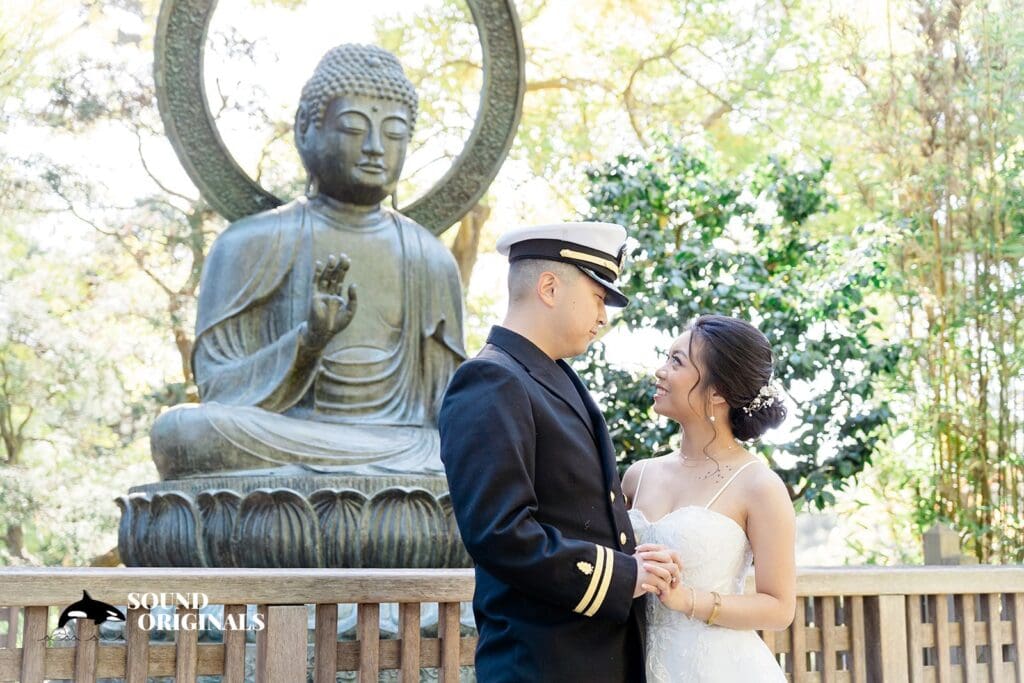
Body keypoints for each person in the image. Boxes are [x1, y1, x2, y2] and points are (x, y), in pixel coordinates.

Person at [150, 44, 466, 480]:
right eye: (354, 128)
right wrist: (310, 339)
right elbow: (219, 390)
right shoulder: (248, 243)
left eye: (394, 133)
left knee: (481, 452)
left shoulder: (430, 259)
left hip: (408, 446)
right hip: (284, 436)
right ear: (305, 129)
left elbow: (447, 408)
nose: (376, 148)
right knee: (183, 432)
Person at [439, 222, 684, 682]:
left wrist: (638, 562)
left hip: (590, 659)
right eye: (598, 297)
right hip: (540, 663)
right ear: (549, 287)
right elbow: (500, 532)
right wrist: (620, 576)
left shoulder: (551, 376)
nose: (604, 316)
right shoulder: (490, 380)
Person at [621, 314, 796, 682]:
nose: (660, 371)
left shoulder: (759, 485)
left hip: (722, 668)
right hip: (637, 664)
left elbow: (779, 608)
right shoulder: (638, 475)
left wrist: (687, 600)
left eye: (677, 362)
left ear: (717, 393)